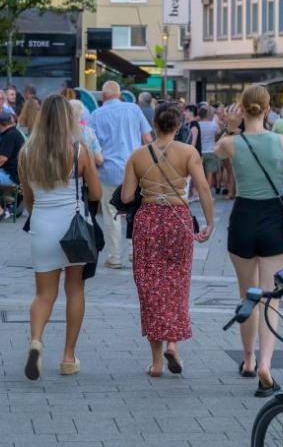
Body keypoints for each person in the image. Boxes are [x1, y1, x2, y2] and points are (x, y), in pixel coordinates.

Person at [215, 85, 283, 398]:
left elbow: (208, 162)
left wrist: (228, 129)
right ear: (268, 109)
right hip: (273, 223)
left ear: (242, 108)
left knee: (246, 297)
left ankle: (249, 359)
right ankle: (266, 363)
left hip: (242, 220)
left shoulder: (231, 143)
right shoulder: (282, 141)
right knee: (271, 299)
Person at [121, 103, 214, 377]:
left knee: (150, 286)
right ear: (177, 126)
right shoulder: (188, 152)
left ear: (154, 124)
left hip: (148, 219)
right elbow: (204, 188)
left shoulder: (137, 156)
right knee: (176, 281)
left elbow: (126, 197)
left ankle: (157, 361)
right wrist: (210, 222)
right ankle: (173, 343)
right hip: (178, 218)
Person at [18, 95, 102, 381]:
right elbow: (97, 193)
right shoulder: (78, 151)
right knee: (75, 290)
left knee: (44, 295)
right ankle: (68, 357)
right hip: (73, 227)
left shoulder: (27, 152)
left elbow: (27, 198)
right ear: (68, 118)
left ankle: (36, 341)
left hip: (42, 225)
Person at [90, 81, 152, 269]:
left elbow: (94, 147)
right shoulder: (133, 109)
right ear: (119, 94)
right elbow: (147, 139)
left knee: (111, 214)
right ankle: (135, 251)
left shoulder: (95, 115)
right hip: (135, 169)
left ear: (103, 96)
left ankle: (115, 256)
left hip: (108, 171)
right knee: (136, 211)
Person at [69, 100, 103, 167]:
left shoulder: (62, 132)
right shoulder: (88, 132)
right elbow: (99, 160)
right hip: (85, 173)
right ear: (82, 114)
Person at [198, 106, 221, 192]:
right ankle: (207, 192)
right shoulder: (214, 125)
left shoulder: (198, 125)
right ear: (207, 115)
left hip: (200, 152)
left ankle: (199, 192)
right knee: (210, 173)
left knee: (200, 174)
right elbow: (218, 134)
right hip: (211, 151)